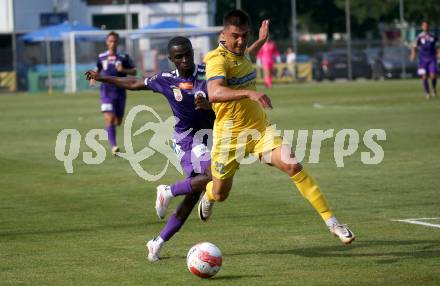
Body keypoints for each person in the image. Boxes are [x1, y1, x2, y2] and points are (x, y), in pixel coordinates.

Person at [199, 9, 355, 245]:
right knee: (221, 193)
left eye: (244, 35)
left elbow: (245, 58)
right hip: (228, 137)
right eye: (235, 36)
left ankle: (332, 222)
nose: (240, 41)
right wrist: (250, 92)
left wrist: (261, 41)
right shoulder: (216, 59)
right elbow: (215, 92)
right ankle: (208, 195)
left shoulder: (242, 52)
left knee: (293, 165)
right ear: (223, 34)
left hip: (259, 130)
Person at [86, 36, 214, 262]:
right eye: (179, 56)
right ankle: (167, 190)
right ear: (171, 59)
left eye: (188, 54)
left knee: (193, 196)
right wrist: (103, 78)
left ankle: (157, 242)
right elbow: (134, 83)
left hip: (208, 138)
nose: (185, 60)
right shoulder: (166, 79)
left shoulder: (208, 72)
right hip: (186, 140)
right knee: (213, 174)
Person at [95, 31, 136, 155]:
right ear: (107, 42)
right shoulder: (101, 57)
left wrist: (123, 70)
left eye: (115, 41)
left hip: (120, 93)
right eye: (110, 41)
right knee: (110, 119)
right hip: (106, 92)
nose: (112, 43)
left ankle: (113, 134)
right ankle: (114, 146)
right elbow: (97, 69)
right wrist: (93, 76)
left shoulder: (124, 57)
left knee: (117, 121)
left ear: (118, 42)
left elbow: (134, 71)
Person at [411, 21, 439, 99]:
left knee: (433, 76)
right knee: (424, 76)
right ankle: (427, 93)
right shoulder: (419, 37)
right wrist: (413, 54)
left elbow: (438, 46)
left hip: (432, 58)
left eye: (427, 25)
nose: (426, 27)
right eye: (424, 26)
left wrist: (439, 53)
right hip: (422, 59)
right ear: (422, 27)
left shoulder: (433, 36)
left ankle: (433, 88)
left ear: (428, 26)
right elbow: (414, 46)